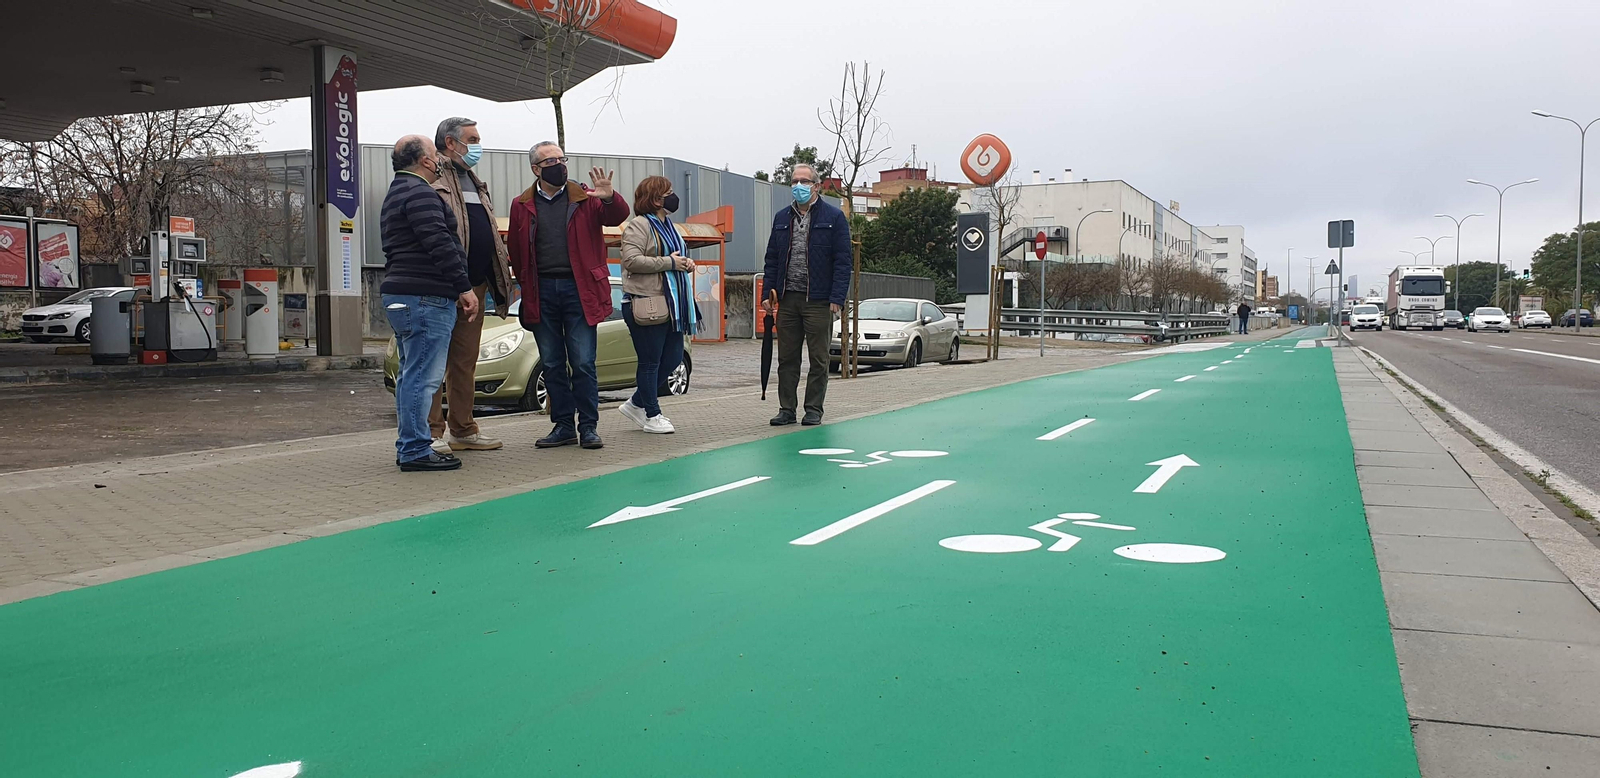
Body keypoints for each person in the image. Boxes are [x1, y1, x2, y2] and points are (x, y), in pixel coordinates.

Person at [506, 142, 629, 450]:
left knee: (584, 361)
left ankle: (588, 426)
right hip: (541, 290)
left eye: (563, 159)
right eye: (552, 161)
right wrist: (524, 285)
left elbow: (617, 216)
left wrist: (610, 196)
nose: (560, 165)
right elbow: (517, 252)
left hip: (579, 290)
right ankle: (563, 426)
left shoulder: (586, 198)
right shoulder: (521, 204)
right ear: (536, 169)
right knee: (552, 363)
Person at [379, 135, 478, 472]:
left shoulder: (396, 192)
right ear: (424, 160)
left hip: (400, 293)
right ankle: (415, 449)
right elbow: (439, 243)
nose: (439, 160)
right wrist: (464, 287)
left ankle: (411, 445)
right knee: (423, 377)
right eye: (435, 155)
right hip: (425, 296)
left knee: (411, 375)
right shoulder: (421, 193)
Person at [427, 117, 516, 456]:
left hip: (475, 287)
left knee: (464, 361)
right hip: (444, 287)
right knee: (435, 361)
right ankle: (431, 432)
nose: (479, 145)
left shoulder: (475, 181)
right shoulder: (432, 175)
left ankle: (463, 429)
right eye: (473, 139)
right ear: (451, 143)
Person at [761, 163, 852, 427]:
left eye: (804, 181)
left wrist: (837, 297)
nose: (798, 186)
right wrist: (768, 293)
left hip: (819, 300)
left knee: (819, 359)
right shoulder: (781, 218)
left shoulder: (833, 218)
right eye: (794, 181)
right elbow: (772, 260)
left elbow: (843, 261)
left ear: (816, 185)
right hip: (787, 299)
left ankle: (813, 409)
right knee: (787, 358)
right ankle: (786, 409)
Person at [618, 176, 696, 434]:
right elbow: (631, 261)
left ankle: (636, 403)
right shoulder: (638, 226)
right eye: (668, 193)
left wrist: (686, 263)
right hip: (646, 302)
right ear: (655, 199)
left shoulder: (669, 226)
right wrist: (670, 263)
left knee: (673, 358)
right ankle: (652, 413)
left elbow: (675, 258)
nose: (674, 197)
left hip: (672, 305)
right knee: (650, 362)